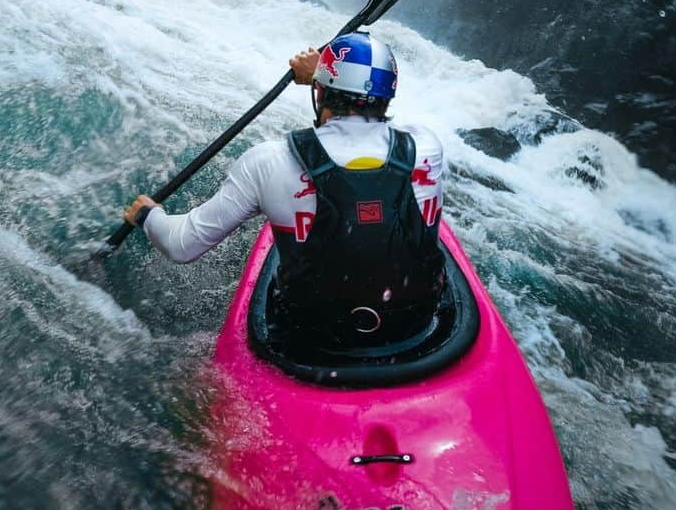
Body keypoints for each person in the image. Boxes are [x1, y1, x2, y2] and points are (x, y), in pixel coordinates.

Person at [123, 31, 446, 351]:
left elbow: (181, 246)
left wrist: (148, 214)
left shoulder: (270, 161)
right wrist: (325, 76)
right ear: (388, 95)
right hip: (411, 329)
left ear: (319, 92)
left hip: (315, 337)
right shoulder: (427, 146)